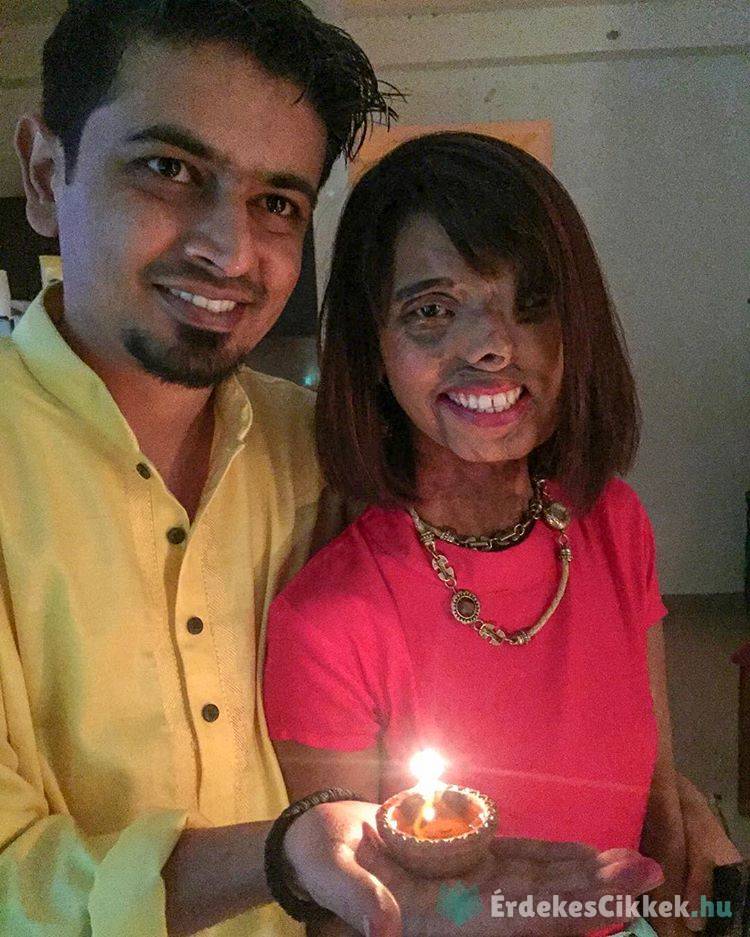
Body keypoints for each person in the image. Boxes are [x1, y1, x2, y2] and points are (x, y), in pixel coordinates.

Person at [1, 2, 667, 935]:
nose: (230, 250)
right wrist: (283, 856)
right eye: (168, 169)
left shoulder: (309, 448)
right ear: (44, 173)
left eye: (276, 202)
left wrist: (665, 803)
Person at [263, 132, 742, 934]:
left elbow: (655, 795)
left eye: (533, 304)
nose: (492, 345)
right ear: (372, 346)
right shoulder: (330, 617)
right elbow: (346, 916)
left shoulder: (614, 522)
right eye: (432, 310)